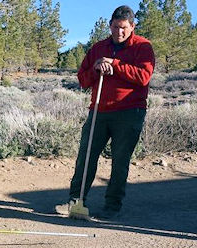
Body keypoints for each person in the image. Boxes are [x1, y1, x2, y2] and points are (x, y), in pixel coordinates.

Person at [54, 5, 155, 219]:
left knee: (120, 159)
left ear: (132, 26)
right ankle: (76, 200)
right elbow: (83, 80)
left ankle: (112, 205)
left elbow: (143, 77)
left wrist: (116, 65)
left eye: (124, 28)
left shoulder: (143, 47)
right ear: (110, 25)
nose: (119, 32)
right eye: (116, 27)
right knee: (86, 155)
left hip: (129, 111)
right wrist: (96, 67)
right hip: (99, 110)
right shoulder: (98, 48)